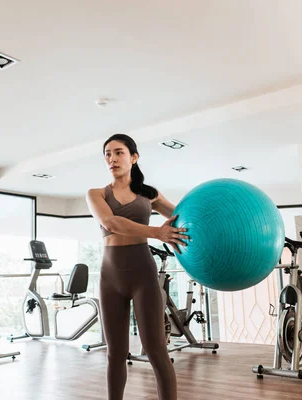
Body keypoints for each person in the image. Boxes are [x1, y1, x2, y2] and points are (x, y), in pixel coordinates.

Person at [86, 133, 189, 400]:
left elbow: (182, 218)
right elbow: (111, 223)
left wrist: (212, 224)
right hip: (111, 277)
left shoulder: (149, 194)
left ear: (133, 157)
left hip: (143, 273)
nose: (112, 159)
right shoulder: (96, 194)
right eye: (107, 154)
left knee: (156, 350)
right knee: (115, 353)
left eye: (118, 152)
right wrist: (157, 233)